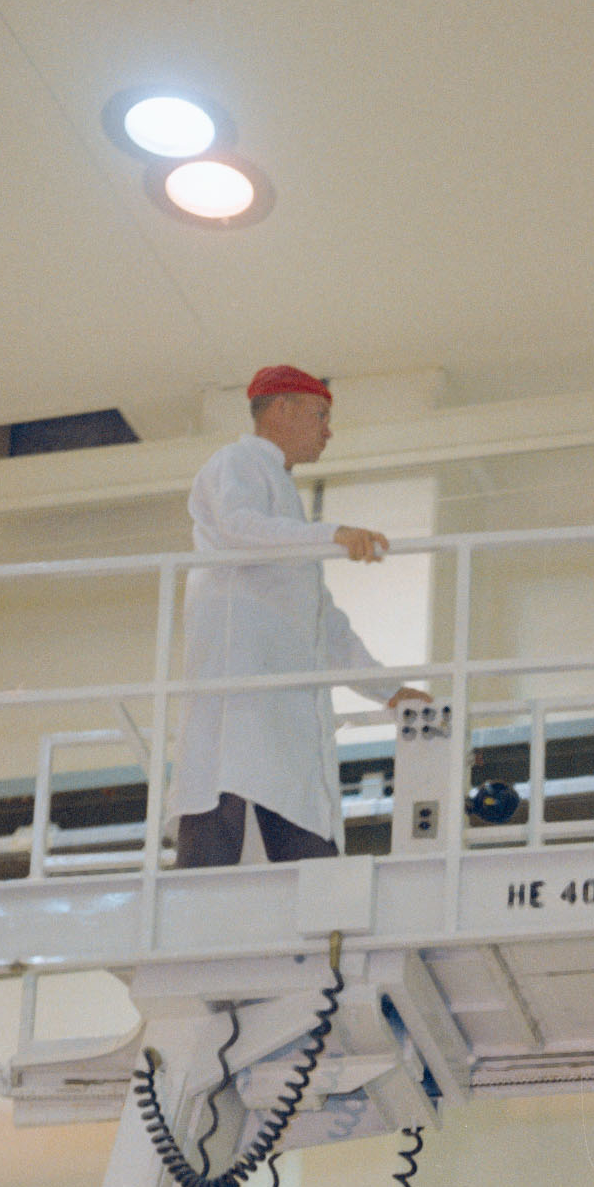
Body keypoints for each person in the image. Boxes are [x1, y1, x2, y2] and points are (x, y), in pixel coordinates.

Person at [169, 364, 423, 866]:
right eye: (320, 415)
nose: (329, 431)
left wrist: (386, 689)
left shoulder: (287, 507)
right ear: (281, 409)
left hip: (283, 714)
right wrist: (330, 534)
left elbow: (323, 624)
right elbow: (239, 527)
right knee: (220, 812)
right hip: (239, 698)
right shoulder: (235, 462)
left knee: (303, 834)